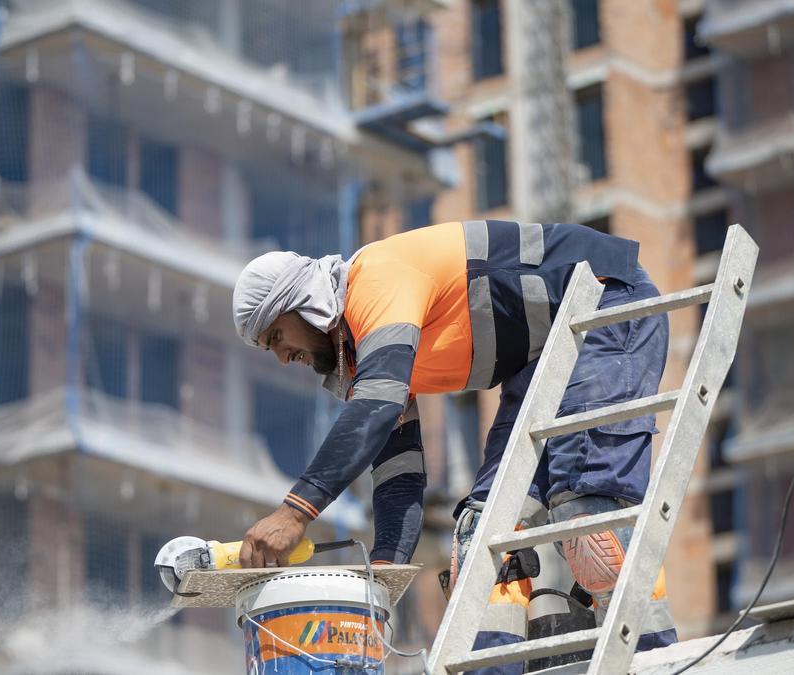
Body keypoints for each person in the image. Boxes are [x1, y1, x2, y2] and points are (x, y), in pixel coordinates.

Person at [230, 220, 677, 666]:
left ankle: (654, 659)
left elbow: (379, 407)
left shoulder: (376, 280)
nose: (283, 357)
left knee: (585, 516)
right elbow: (397, 474)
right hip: (542, 358)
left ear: (305, 305)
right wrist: (379, 581)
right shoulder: (363, 360)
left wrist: (294, 514)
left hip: (606, 302)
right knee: (481, 537)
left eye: (277, 337)